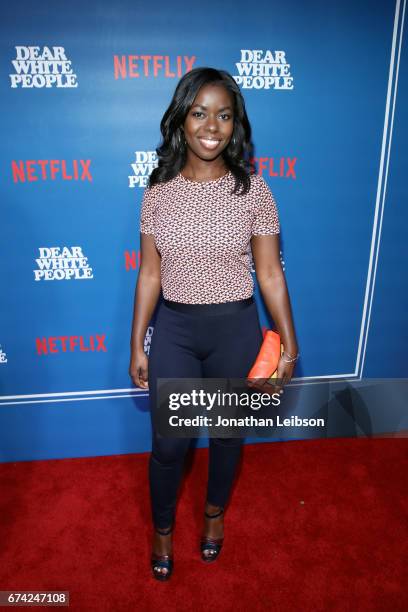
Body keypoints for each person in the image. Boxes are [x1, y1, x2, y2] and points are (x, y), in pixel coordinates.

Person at [129, 67, 299, 581]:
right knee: (170, 445)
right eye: (200, 113)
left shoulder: (254, 191)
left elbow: (269, 273)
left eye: (223, 115)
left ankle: (213, 518)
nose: (211, 125)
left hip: (235, 331)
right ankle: (162, 529)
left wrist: (289, 346)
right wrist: (138, 342)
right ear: (181, 119)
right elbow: (150, 273)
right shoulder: (158, 190)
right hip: (176, 331)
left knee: (227, 437)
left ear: (235, 124)